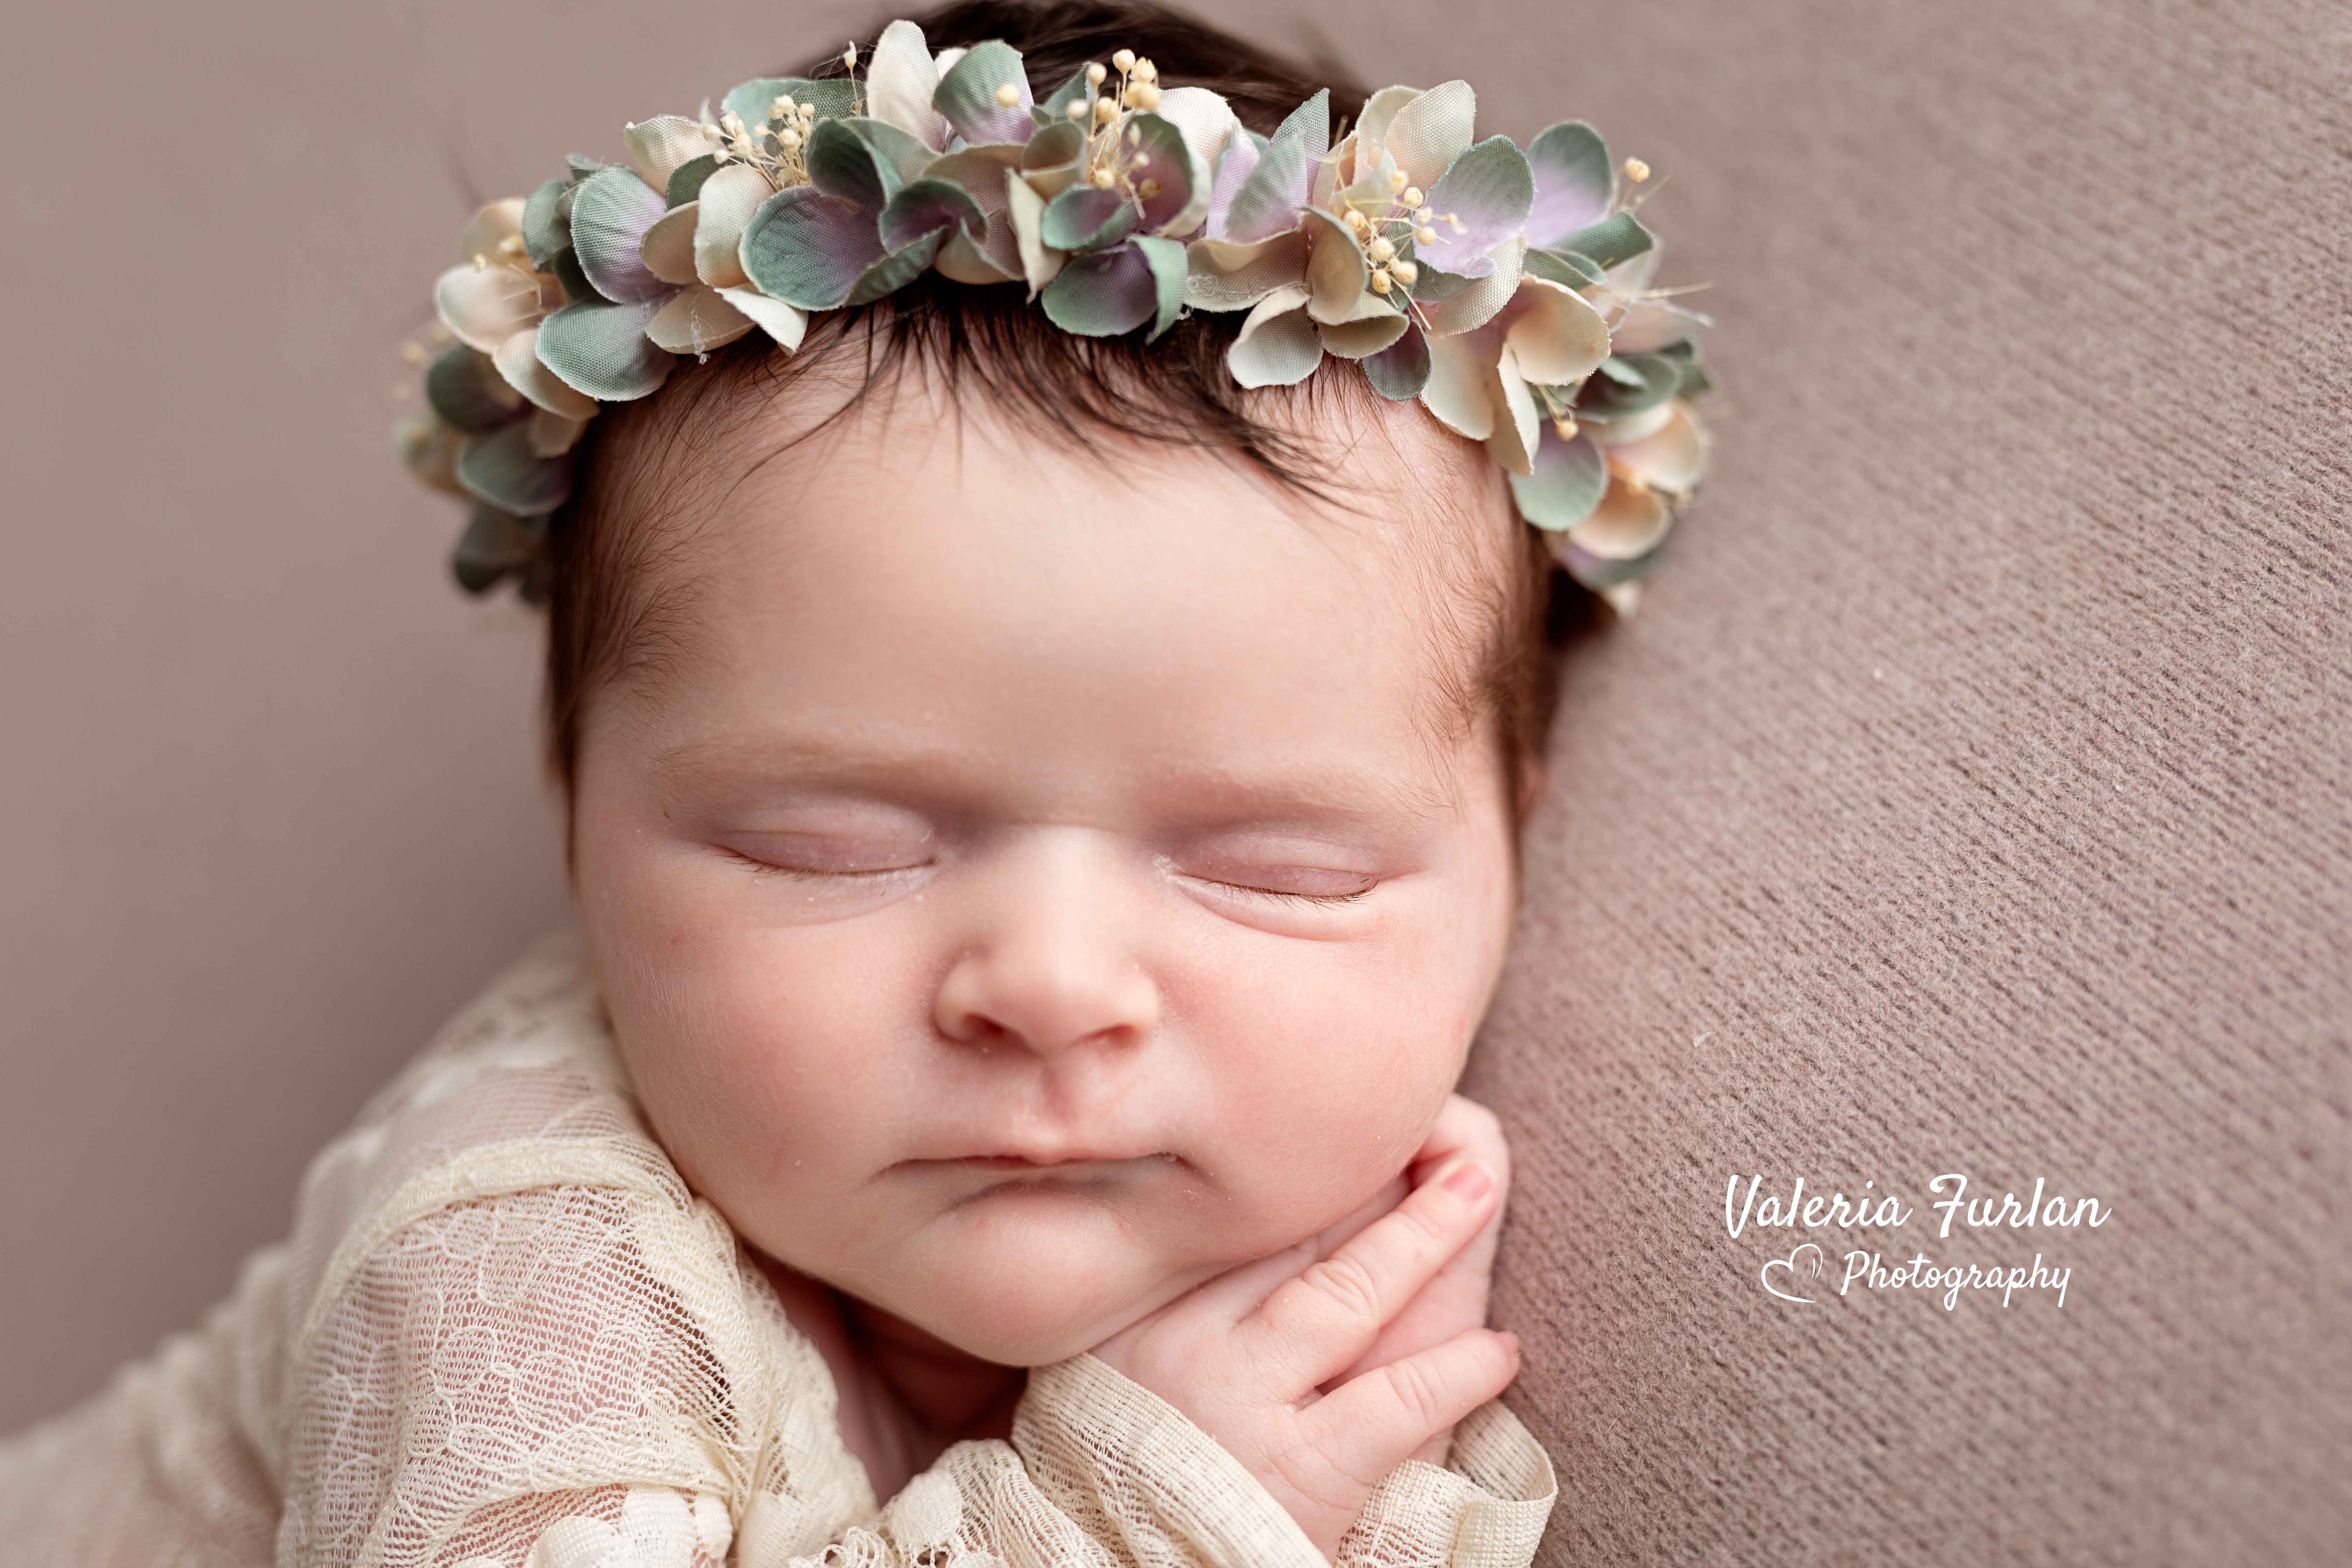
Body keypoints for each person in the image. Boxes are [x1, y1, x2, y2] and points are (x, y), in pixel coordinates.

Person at [0, 1, 1712, 1561]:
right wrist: (1131, 1521)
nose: (1047, 988)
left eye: (1279, 866)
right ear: (576, 797)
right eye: (833, 844)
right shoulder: (516, 1260)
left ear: (1516, 817)